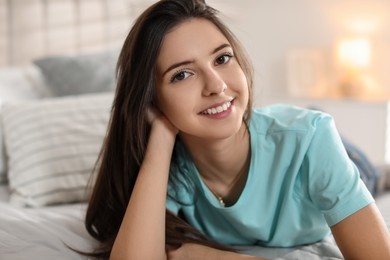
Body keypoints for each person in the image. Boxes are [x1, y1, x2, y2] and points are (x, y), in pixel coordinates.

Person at [85, 0, 390, 259]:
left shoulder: (312, 138)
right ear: (152, 98)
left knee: (371, 175)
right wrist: (161, 139)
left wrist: (204, 255)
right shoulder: (171, 171)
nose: (217, 85)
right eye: (182, 75)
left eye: (222, 58)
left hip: (318, 144)